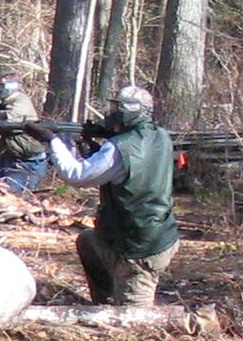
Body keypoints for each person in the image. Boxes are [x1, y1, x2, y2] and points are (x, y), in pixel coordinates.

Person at [29, 84, 178, 306]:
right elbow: (130, 169)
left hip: (138, 249)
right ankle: (105, 303)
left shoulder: (120, 147)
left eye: (115, 108)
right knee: (89, 241)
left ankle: (116, 311)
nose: (110, 113)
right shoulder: (160, 136)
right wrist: (96, 150)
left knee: (135, 325)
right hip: (156, 233)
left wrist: (52, 140)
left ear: (128, 111)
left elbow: (76, 175)